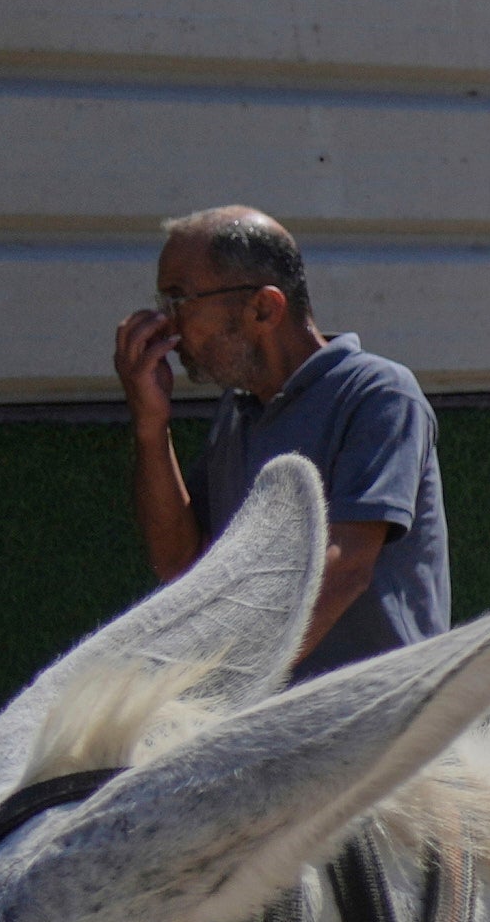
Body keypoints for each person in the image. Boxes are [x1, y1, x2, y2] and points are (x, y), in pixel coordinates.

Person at [118, 204, 446, 675]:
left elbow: (345, 568)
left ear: (264, 308)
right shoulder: (239, 411)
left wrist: (233, 683)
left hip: (383, 727)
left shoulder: (378, 394)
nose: (164, 324)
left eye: (178, 300)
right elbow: (181, 564)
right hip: (275, 727)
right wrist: (151, 427)